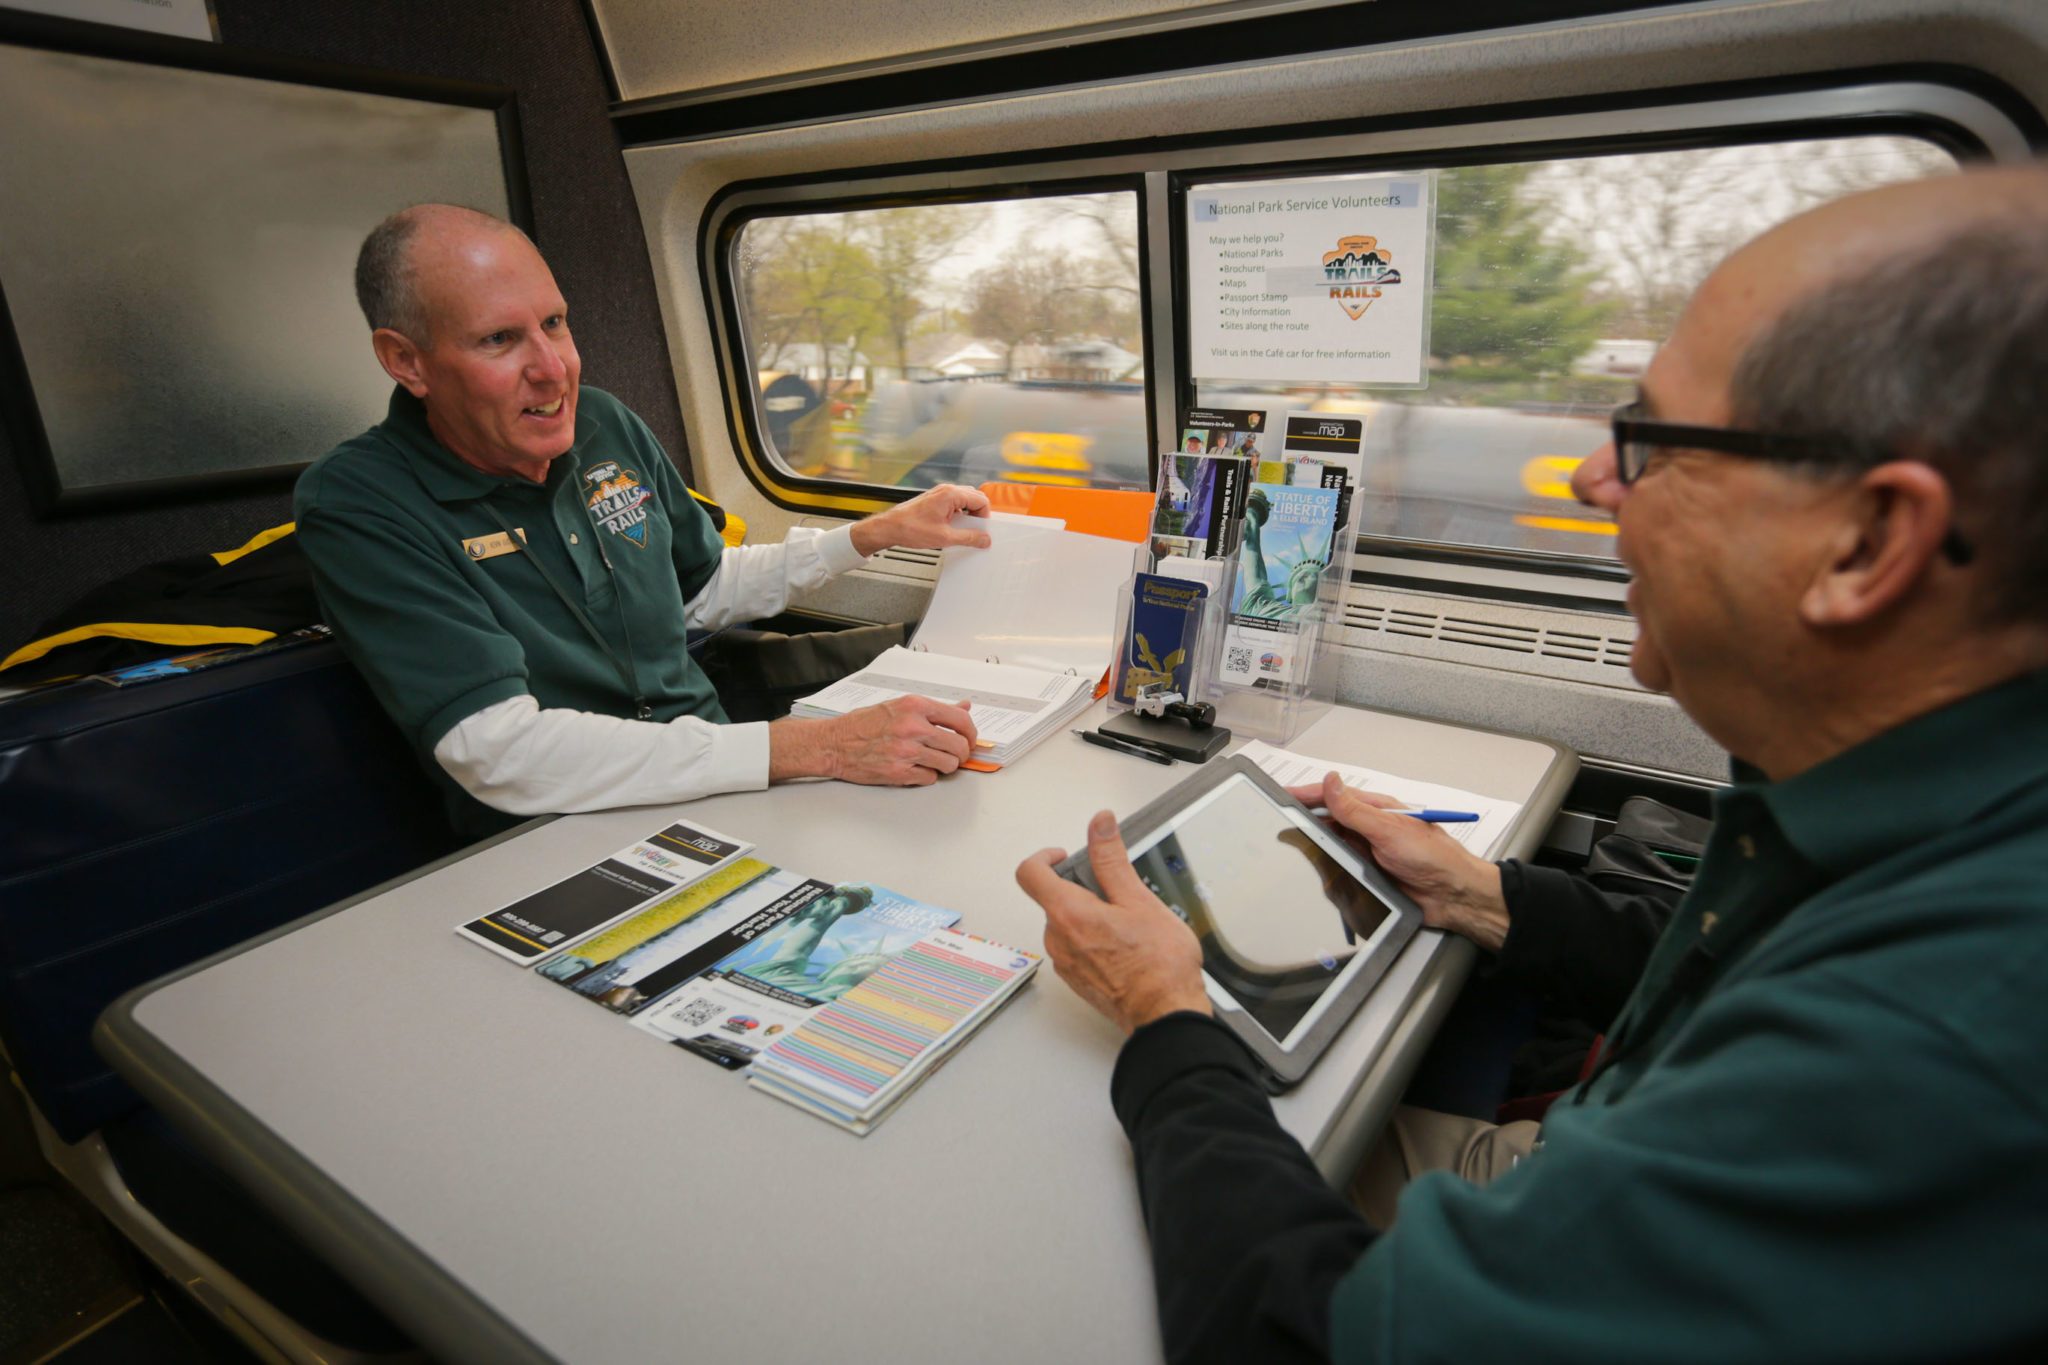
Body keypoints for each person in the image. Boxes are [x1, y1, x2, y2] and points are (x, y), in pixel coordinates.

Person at [1016, 165, 2048, 1362]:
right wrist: (1480, 893)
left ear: (1868, 542)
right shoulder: (1914, 818)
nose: (1584, 480)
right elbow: (1724, 977)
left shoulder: (1924, 1048)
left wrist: (1166, 1025)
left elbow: (1308, 1340)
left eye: (1649, 446)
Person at [297, 204, 992, 837]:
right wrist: (820, 746)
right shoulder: (359, 501)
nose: (554, 369)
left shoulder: (600, 422)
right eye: (499, 340)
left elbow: (701, 588)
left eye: (555, 323)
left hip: (726, 785)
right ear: (406, 362)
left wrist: (871, 535)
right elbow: (499, 752)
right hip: (559, 831)